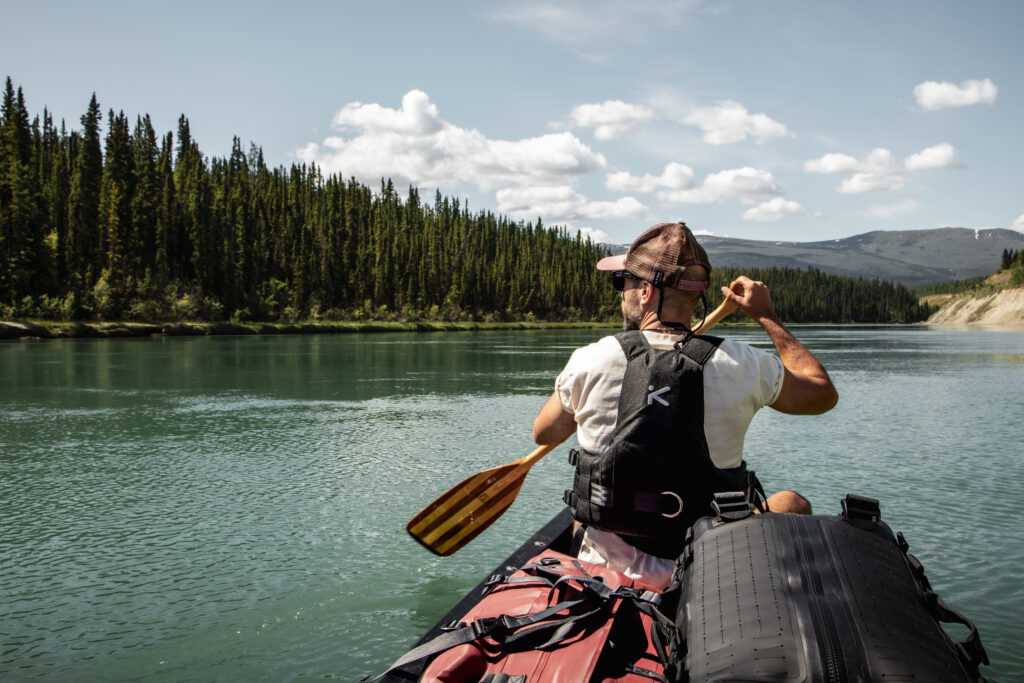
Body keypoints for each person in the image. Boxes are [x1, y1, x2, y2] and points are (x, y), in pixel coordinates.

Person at [532, 221, 838, 590]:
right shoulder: (744, 364)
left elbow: (544, 433)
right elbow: (822, 393)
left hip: (606, 572)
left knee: (586, 510)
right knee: (791, 502)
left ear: (645, 291)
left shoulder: (589, 360)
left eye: (622, 283)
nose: (621, 294)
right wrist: (766, 316)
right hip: (709, 567)